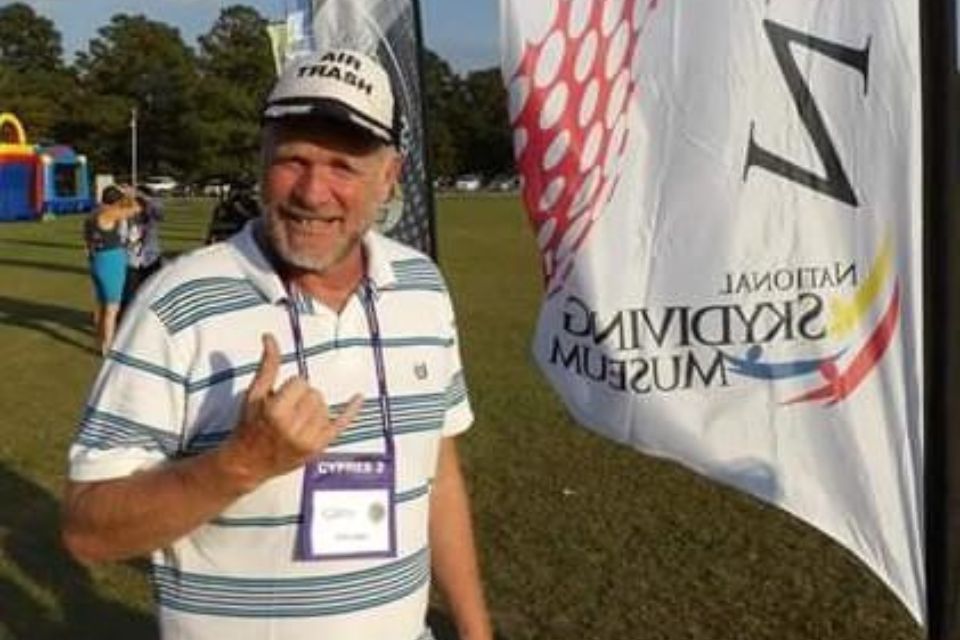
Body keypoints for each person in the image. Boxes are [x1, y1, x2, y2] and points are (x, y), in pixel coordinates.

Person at [62, 48, 492, 640]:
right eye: (293, 159)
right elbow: (87, 530)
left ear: (389, 176)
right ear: (262, 158)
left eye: (344, 165)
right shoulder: (174, 304)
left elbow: (438, 473)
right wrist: (239, 464)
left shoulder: (422, 286)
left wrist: (474, 631)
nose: (313, 193)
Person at [83, 185, 141, 355]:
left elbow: (87, 241)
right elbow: (135, 209)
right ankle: (108, 347)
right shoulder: (110, 213)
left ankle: (99, 343)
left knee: (102, 307)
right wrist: (130, 195)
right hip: (111, 261)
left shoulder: (91, 216)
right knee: (112, 308)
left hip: (97, 260)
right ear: (116, 201)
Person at [121, 190, 165, 314]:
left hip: (151, 260)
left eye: (138, 206)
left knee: (152, 292)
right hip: (131, 261)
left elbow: (159, 210)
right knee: (130, 295)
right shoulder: (125, 219)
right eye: (133, 206)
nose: (135, 209)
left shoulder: (151, 219)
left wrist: (142, 195)